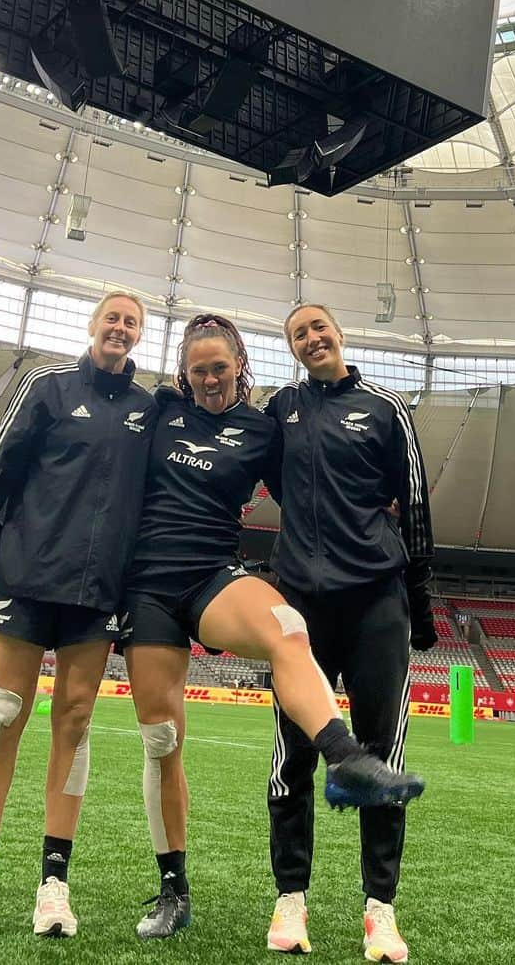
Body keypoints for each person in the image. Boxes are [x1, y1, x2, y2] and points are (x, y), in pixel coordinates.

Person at [120, 314, 424, 941]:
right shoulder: (156, 413)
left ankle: (346, 764)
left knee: (288, 627)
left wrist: (391, 556)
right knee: (160, 740)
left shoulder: (265, 426)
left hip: (216, 577)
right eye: (198, 369)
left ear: (241, 369)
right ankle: (174, 888)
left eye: (220, 368)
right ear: (184, 371)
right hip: (148, 584)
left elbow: (320, 483)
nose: (209, 379)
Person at [0, 291, 157, 940]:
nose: (120, 328)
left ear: (138, 336)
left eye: (131, 322)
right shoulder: (49, 386)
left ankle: (53, 885)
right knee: (6, 711)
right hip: (30, 573)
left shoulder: (150, 410)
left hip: (98, 590)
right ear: (93, 326)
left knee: (76, 719)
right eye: (112, 318)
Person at [263, 304, 437, 963]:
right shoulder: (281, 408)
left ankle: (380, 911)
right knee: (293, 756)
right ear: (292, 348)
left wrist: (418, 600)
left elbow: (414, 501)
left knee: (380, 758)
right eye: (298, 333)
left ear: (340, 333)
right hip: (299, 607)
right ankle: (290, 899)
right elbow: (265, 477)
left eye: (318, 327)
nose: (311, 338)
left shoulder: (386, 407)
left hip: (376, 604)